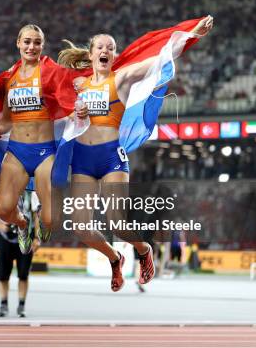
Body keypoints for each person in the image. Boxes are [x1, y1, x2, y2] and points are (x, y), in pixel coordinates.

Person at [57, 16, 214, 291]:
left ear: (114, 54)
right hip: (82, 159)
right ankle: (114, 258)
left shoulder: (122, 78)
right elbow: (58, 108)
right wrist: (73, 112)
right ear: (91, 53)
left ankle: (143, 250)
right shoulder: (77, 85)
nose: (105, 51)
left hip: (110, 157)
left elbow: (160, 59)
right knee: (80, 228)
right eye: (100, 47)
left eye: (110, 47)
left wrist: (191, 36)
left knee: (117, 224)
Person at [0, 24, 91, 253]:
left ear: (42, 45)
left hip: (44, 152)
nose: (31, 46)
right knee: (3, 211)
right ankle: (23, 223)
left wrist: (78, 111)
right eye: (27, 41)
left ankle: (41, 221)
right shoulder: (10, 78)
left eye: (36, 42)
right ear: (18, 43)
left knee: (52, 220)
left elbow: (67, 99)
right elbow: (7, 118)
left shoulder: (49, 72)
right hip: (16, 152)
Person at [0, 191, 40, 318]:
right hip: (5, 238)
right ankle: (3, 303)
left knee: (23, 274)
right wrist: (1, 226)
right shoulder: (1, 191)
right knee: (3, 274)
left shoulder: (31, 194)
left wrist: (37, 238)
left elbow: (37, 217)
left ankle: (21, 305)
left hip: (26, 237)